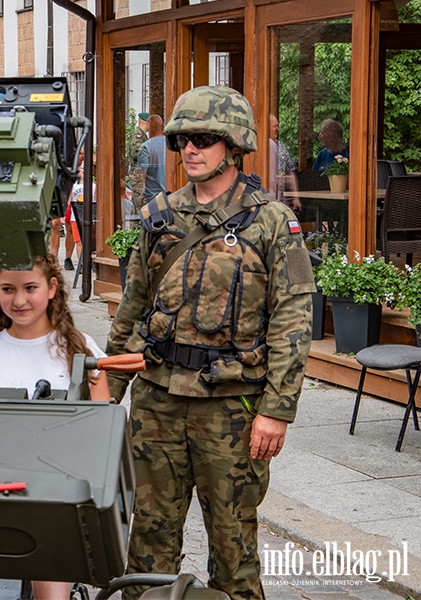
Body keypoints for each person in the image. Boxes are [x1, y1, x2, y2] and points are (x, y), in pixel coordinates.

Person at [105, 86, 315, 600]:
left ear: (234, 145)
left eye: (203, 139)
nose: (189, 150)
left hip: (230, 408)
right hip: (156, 400)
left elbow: (293, 319)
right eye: (181, 141)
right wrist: (106, 392)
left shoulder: (271, 223)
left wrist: (277, 410)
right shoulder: (161, 215)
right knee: (148, 542)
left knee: (233, 548)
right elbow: (133, 306)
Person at [0, 253, 110, 599]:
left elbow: (102, 422)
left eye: (31, 288)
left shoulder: (79, 348)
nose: (20, 300)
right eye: (8, 289)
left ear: (52, 287)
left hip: (55, 488)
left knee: (52, 569)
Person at [269, 114, 300, 212]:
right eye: (274, 126)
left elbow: (290, 173)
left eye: (278, 126)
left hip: (282, 200)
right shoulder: (261, 148)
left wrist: (296, 197)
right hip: (268, 198)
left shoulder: (282, 147)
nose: (277, 129)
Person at [136, 114, 166, 205]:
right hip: (170, 194)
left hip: (152, 197)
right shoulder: (170, 145)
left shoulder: (146, 147)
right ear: (162, 126)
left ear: (149, 126)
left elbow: (143, 174)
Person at [126, 111, 150, 210]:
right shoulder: (138, 136)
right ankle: (138, 225)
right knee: (141, 205)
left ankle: (137, 225)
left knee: (140, 205)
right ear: (146, 122)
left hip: (141, 175)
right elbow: (136, 154)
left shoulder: (143, 136)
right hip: (138, 176)